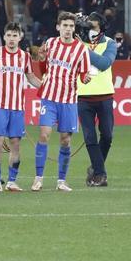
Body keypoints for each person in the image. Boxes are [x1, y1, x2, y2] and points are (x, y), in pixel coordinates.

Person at [33, 12, 91, 193]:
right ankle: (38, 178)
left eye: (71, 26)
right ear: (58, 27)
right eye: (65, 26)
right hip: (49, 97)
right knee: (44, 135)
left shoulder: (81, 49)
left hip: (68, 100)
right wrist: (41, 60)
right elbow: (43, 68)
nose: (68, 29)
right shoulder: (50, 44)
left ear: (74, 29)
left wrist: (86, 77)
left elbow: (83, 72)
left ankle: (61, 181)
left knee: (65, 140)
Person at [0, 23, 40, 192]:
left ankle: (12, 181)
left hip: (17, 107)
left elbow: (31, 77)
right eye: (9, 35)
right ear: (4, 36)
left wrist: (47, 88)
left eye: (15, 35)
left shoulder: (24, 57)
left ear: (20, 37)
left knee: (15, 143)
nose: (12, 39)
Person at [78, 12, 119, 187]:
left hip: (105, 95)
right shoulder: (79, 43)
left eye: (92, 23)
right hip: (84, 96)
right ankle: (100, 174)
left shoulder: (110, 43)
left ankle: (96, 167)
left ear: (101, 25)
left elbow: (104, 64)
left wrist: (83, 49)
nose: (89, 25)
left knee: (107, 136)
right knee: (89, 137)